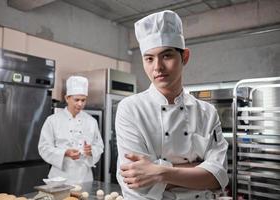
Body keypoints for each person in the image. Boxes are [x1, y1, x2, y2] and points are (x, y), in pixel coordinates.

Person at [115, 10, 228, 200]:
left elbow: (219, 176)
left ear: (184, 57)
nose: (157, 67)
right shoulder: (131, 109)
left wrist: (159, 172)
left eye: (166, 56)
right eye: (149, 58)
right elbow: (136, 181)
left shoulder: (207, 113)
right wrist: (198, 168)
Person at [38, 76, 104, 184]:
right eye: (76, 100)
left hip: (84, 179)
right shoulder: (53, 120)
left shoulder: (91, 121)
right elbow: (43, 148)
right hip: (59, 178)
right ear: (67, 98)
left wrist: (91, 151)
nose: (80, 104)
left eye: (83, 100)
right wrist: (65, 153)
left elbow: (99, 146)